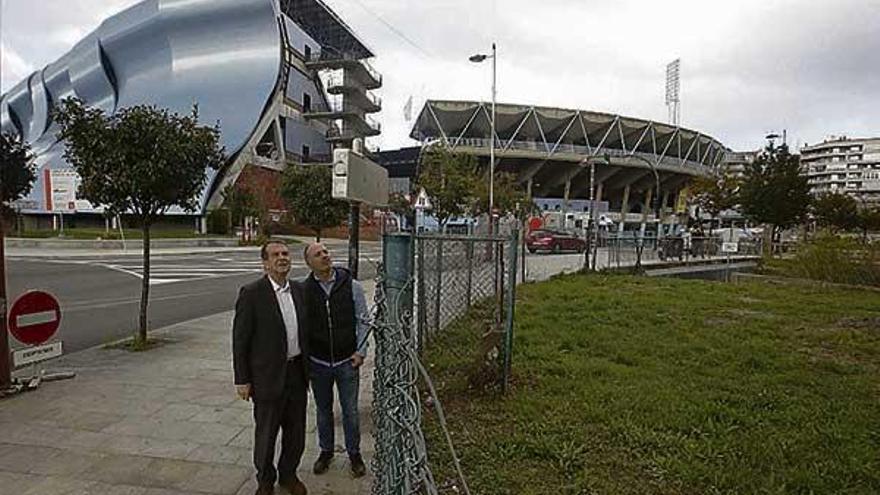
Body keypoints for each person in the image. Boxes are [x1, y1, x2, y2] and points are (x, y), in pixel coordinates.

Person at [233, 240, 309, 495]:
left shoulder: (299, 290)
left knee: (296, 432)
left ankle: (289, 475)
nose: (282, 258)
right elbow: (240, 339)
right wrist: (242, 379)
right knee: (266, 434)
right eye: (275, 255)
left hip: (297, 372)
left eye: (286, 253)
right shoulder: (252, 293)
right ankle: (265, 481)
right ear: (265, 263)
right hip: (267, 377)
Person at [302, 242, 370, 478]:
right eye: (318, 255)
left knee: (350, 411)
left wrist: (361, 351)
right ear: (309, 263)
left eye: (325, 252)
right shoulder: (305, 290)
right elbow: (301, 328)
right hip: (318, 363)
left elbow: (363, 320)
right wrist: (306, 359)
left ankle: (354, 454)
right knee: (323, 411)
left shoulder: (351, 285)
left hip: (346, 362)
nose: (324, 256)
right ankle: (326, 451)